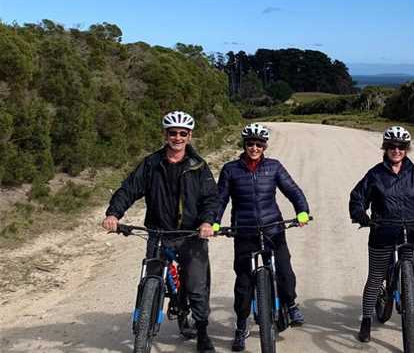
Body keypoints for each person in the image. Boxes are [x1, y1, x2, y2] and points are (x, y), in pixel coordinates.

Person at [102, 111, 219, 353]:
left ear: (189, 136)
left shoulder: (199, 165)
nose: (177, 137)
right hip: (158, 232)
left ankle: (203, 332)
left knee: (197, 287)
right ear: (165, 134)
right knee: (149, 278)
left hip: (190, 235)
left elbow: (211, 198)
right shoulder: (151, 164)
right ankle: (145, 319)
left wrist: (207, 222)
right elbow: (128, 189)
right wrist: (114, 214)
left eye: (182, 133)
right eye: (172, 133)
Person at [216, 123, 311, 352]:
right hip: (245, 232)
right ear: (244, 145)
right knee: (243, 282)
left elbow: (293, 190)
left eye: (259, 144)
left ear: (265, 146)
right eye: (250, 144)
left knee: (285, 271)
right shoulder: (230, 170)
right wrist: (215, 221)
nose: (254, 148)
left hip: (273, 230)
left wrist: (302, 211)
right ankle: (241, 326)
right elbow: (220, 199)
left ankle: (290, 303)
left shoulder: (274, 167)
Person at [349, 126, 414, 343]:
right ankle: (366, 320)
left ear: (407, 149)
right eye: (392, 146)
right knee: (375, 278)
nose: (396, 150)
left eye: (401, 147)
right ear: (385, 148)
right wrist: (360, 214)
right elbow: (357, 197)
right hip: (382, 233)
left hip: (411, 233)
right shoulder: (375, 174)